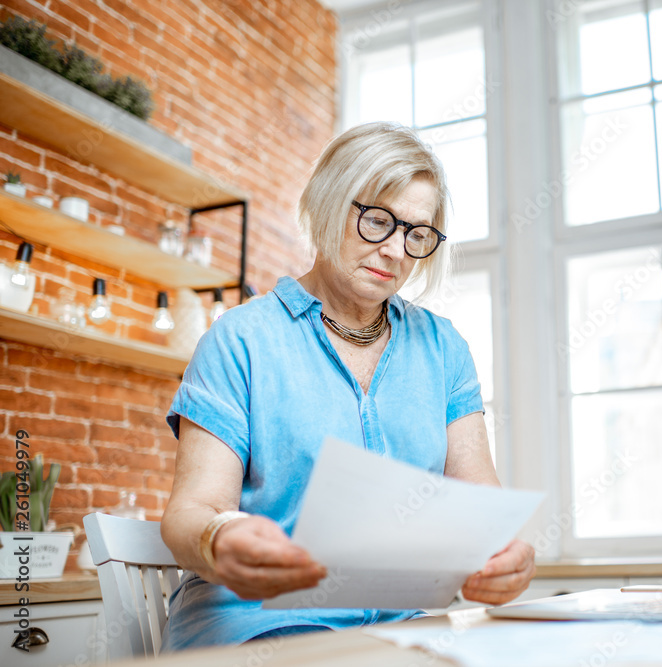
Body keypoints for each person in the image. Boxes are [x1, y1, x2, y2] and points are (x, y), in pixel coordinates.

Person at [159, 122, 535, 650]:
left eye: (416, 234)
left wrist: (507, 555)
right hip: (257, 625)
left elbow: (481, 503)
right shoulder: (240, 340)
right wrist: (219, 537)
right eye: (378, 221)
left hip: (399, 634)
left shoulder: (443, 347)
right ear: (328, 203)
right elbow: (189, 513)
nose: (397, 252)